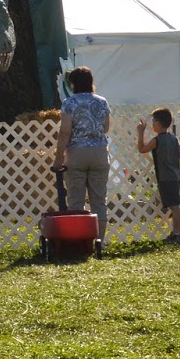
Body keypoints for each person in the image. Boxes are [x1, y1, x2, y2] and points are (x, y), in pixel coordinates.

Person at [52, 66, 111, 244]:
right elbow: (106, 128)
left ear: (72, 84)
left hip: (77, 153)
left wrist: (58, 156)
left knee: (76, 199)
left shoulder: (69, 103)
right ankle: (100, 241)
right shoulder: (102, 102)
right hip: (100, 153)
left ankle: (79, 241)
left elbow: (65, 132)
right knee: (99, 200)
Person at [136, 107, 180, 243]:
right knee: (174, 204)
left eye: (153, 121)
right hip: (175, 176)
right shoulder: (173, 138)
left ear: (158, 124)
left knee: (174, 206)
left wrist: (140, 133)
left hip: (165, 178)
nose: (152, 124)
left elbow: (142, 149)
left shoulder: (157, 140)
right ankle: (176, 232)